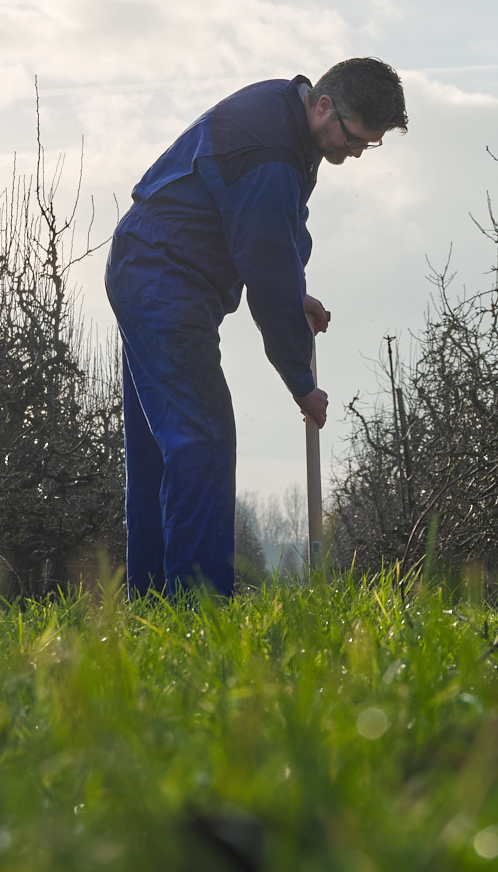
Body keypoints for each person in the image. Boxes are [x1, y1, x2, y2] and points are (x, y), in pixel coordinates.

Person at [105, 58, 407, 596]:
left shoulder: (283, 114)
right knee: (202, 437)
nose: (358, 152)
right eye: (357, 137)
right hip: (163, 278)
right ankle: (197, 609)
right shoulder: (270, 153)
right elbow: (266, 272)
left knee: (162, 444)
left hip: (148, 266)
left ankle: (151, 603)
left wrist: (296, 293)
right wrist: (302, 384)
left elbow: (277, 232)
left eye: (370, 145)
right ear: (324, 106)